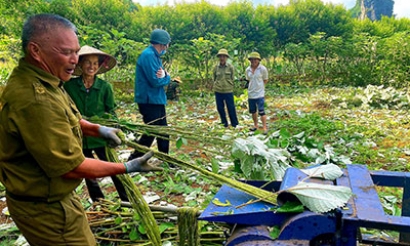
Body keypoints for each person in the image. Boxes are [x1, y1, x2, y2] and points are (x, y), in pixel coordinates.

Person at [0, 14, 161, 246]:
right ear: (36, 51)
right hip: (45, 208)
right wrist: (127, 166)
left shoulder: (49, 81)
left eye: (76, 52)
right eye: (67, 52)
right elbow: (72, 167)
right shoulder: (35, 99)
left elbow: (69, 118)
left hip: (54, 197)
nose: (75, 60)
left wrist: (97, 129)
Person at [64, 45, 129, 202]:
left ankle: (126, 200)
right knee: (88, 173)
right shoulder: (69, 87)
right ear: (80, 64)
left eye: (95, 63)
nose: (91, 67)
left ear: (99, 66)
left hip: (101, 134)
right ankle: (99, 202)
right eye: (87, 62)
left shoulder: (105, 87)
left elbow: (111, 111)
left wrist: (116, 129)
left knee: (113, 168)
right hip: (80, 136)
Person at [128, 29, 171, 161]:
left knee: (163, 131)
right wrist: (167, 77)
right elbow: (156, 80)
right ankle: (133, 159)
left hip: (156, 100)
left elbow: (159, 76)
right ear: (163, 44)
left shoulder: (154, 56)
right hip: (149, 100)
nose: (167, 47)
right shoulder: (148, 56)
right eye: (167, 44)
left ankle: (166, 159)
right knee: (151, 132)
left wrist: (164, 75)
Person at [212, 49, 239, 128]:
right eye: (221, 56)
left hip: (228, 90)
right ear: (219, 57)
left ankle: (234, 124)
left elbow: (232, 78)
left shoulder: (230, 67)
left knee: (231, 107)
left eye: (224, 56)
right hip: (218, 90)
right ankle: (224, 123)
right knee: (220, 108)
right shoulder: (215, 68)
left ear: (226, 57)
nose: (222, 58)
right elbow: (214, 78)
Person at [245, 51, 269, 134]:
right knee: (253, 111)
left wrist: (260, 88)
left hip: (260, 94)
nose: (253, 61)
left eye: (255, 59)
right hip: (251, 93)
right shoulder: (247, 70)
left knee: (261, 111)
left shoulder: (262, 69)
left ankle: (265, 127)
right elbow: (248, 80)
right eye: (252, 59)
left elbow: (265, 80)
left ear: (259, 60)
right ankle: (255, 125)